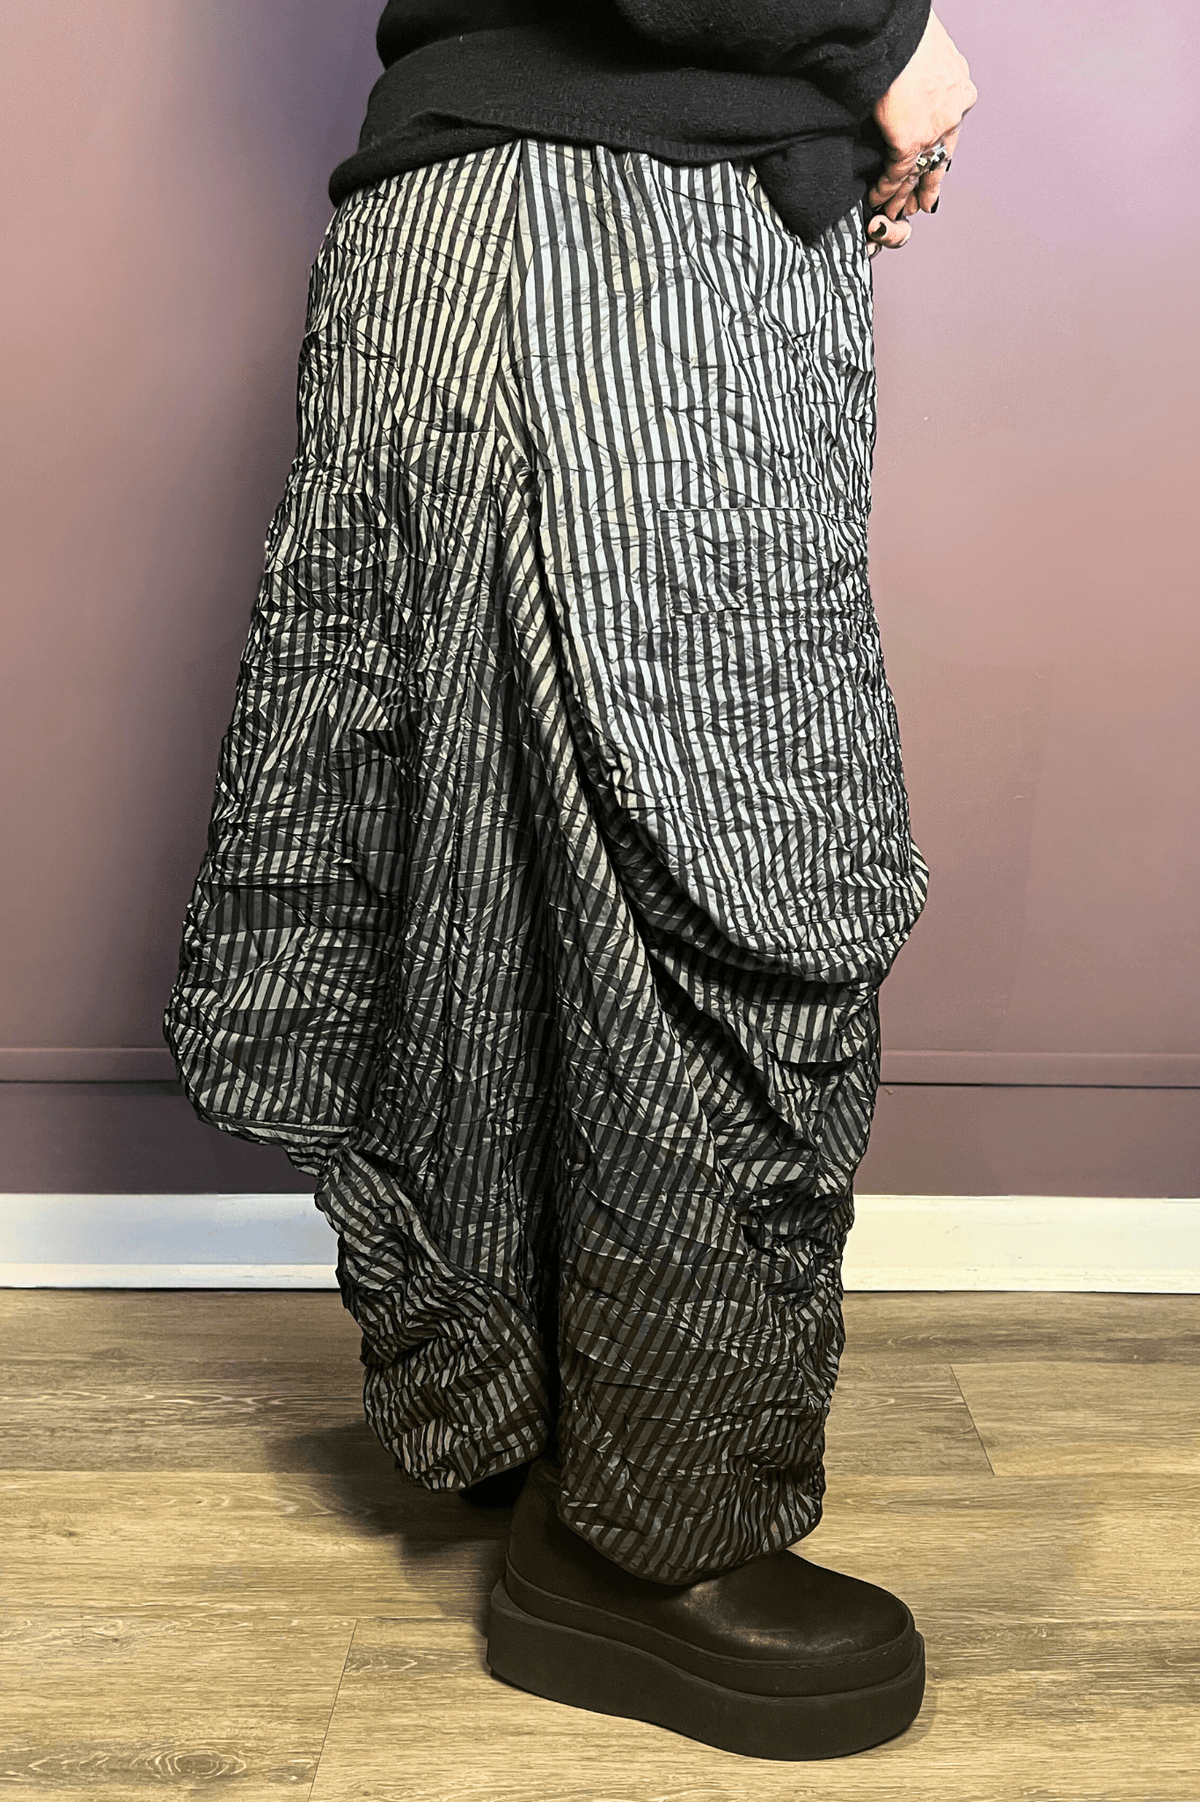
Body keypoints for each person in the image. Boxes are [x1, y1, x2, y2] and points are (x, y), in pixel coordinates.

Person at [165, 0, 976, 1762]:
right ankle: (648, 1537)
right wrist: (874, 34)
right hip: (606, 248)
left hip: (500, 231)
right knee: (723, 864)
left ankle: (543, 1427)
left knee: (498, 855)